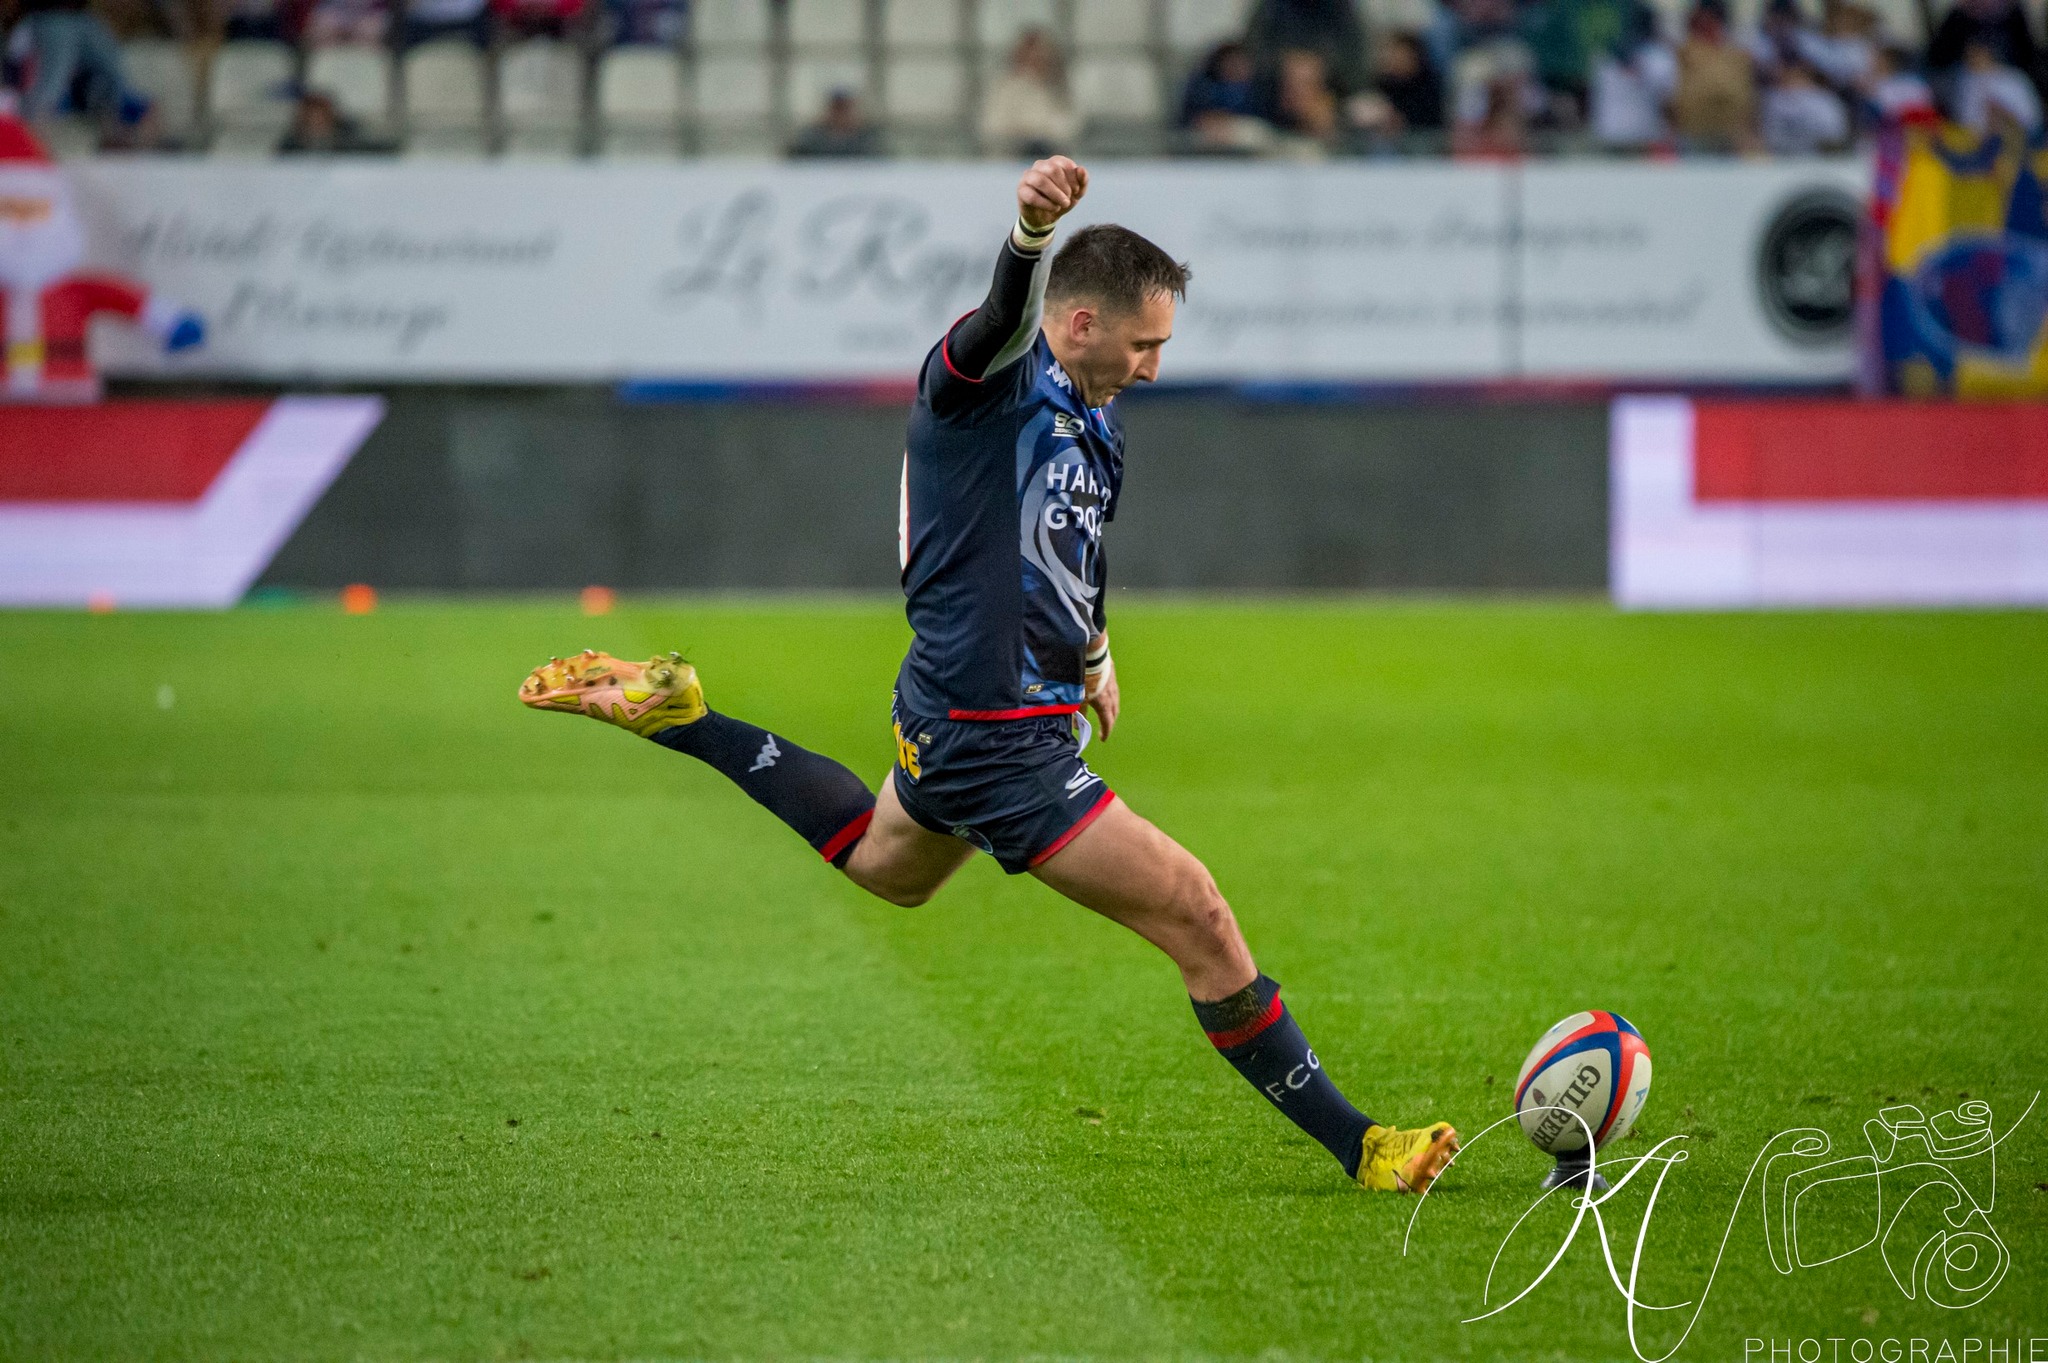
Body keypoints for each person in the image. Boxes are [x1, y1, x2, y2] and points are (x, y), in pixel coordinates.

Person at [518, 158, 1462, 1196]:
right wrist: (1025, 239)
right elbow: (991, 331)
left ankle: (686, 715)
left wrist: (1093, 655)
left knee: (888, 866)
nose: (1154, 365)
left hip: (960, 707)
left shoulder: (1092, 423)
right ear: (1078, 323)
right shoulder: (984, 392)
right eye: (1142, 342)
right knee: (1196, 913)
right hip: (994, 733)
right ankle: (1360, 1144)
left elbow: (1069, 550)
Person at [979, 28, 1078, 158]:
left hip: (1052, 160)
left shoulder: (1062, 89)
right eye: (1030, 55)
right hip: (1008, 161)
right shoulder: (1003, 88)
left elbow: (1070, 127)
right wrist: (1025, 133)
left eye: (1040, 56)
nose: (1035, 60)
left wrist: (1038, 133)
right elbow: (991, 125)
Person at [1671, 0, 1756, 151]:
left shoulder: (1736, 55)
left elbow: (1747, 96)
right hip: (1695, 133)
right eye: (1700, 23)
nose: (1705, 27)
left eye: (1710, 21)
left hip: (1732, 134)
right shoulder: (1685, 53)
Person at [787, 88, 885, 158]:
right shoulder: (811, 139)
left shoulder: (868, 140)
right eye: (837, 109)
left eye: (845, 109)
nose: (841, 115)